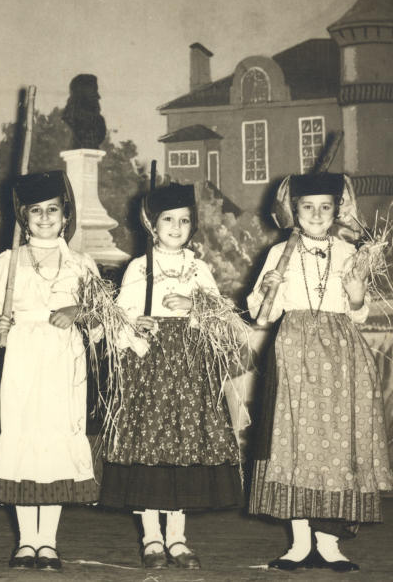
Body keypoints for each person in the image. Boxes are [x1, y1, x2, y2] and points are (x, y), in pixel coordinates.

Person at [247, 172, 393, 572]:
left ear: (336, 211)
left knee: (336, 446)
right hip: (294, 355)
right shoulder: (280, 253)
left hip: (342, 356)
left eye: (325, 207)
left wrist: (357, 293)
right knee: (293, 443)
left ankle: (329, 544)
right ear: (293, 211)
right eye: (307, 207)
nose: (316, 214)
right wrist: (267, 287)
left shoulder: (349, 252)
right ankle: (298, 544)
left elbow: (358, 314)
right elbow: (263, 315)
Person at [99, 183, 244, 570]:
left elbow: (219, 316)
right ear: (151, 224)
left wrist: (193, 305)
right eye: (168, 220)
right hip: (149, 368)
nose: (177, 228)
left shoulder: (198, 268)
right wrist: (137, 324)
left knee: (184, 447)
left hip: (189, 369)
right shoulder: (139, 267)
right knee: (149, 448)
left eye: (184, 220)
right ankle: (151, 538)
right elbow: (120, 317)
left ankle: (177, 538)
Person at [0, 170, 100, 572]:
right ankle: (27, 540)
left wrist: (77, 311)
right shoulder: (9, 260)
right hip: (22, 361)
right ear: (23, 217)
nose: (45, 218)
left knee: (56, 442)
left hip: (63, 361)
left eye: (53, 210)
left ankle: (49, 542)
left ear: (65, 215)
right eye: (36, 211)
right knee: (24, 439)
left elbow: (101, 317)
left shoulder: (81, 263)